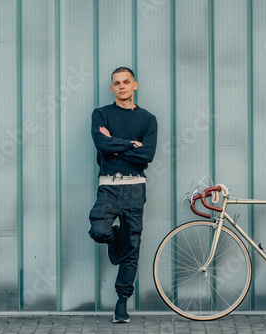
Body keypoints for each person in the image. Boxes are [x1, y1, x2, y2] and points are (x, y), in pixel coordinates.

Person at [88, 67, 158, 323]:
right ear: (111, 88)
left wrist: (114, 147)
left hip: (135, 188)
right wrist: (130, 144)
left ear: (135, 85)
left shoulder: (148, 119)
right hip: (108, 186)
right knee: (99, 230)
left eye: (126, 82)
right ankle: (113, 236)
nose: (121, 86)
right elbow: (101, 145)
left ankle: (121, 304)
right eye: (117, 83)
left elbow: (147, 155)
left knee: (132, 248)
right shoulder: (101, 114)